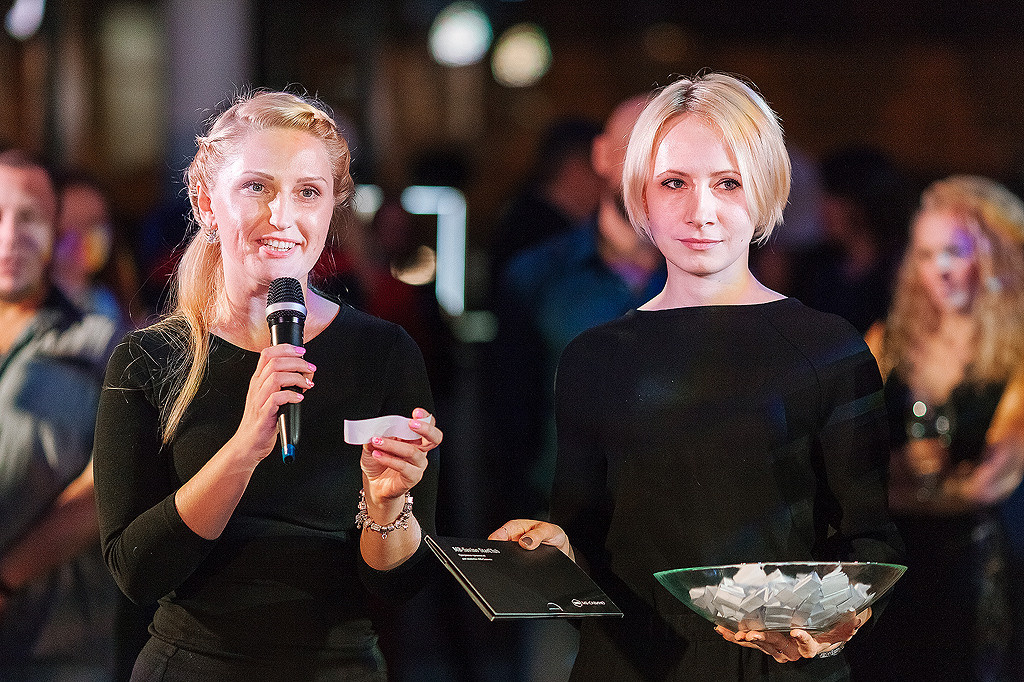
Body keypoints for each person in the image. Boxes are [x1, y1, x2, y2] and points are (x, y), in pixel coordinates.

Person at [491, 72, 903, 680]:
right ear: (641, 195)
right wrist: (551, 552)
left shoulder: (828, 349)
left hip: (774, 669)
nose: (700, 210)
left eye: (728, 183)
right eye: (674, 183)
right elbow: (585, 531)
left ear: (765, 192)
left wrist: (836, 624)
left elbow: (870, 542)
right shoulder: (593, 356)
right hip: (631, 664)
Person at [92, 91, 443, 681]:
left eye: (308, 191)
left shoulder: (383, 353)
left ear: (333, 209)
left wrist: (386, 505)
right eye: (257, 187)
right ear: (207, 202)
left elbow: (401, 584)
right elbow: (135, 572)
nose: (282, 216)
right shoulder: (147, 360)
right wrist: (243, 447)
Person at [851, 175, 1024, 681]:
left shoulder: (1016, 356)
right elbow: (844, 456)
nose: (940, 271)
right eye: (925, 255)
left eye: (955, 252)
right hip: (889, 567)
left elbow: (991, 483)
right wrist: (893, 471)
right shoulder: (886, 341)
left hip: (979, 566)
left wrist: (899, 484)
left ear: (994, 260)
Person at [489, 94, 665, 522]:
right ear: (601, 156)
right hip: (558, 514)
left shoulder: (711, 279)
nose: (653, 171)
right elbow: (507, 415)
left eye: (667, 156)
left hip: (675, 518)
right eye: (636, 151)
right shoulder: (536, 275)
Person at [0, 150, 121, 679]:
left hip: (57, 646)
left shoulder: (100, 343)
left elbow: (108, 484)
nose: (10, 235)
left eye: (30, 217)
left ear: (54, 230)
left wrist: (6, 578)